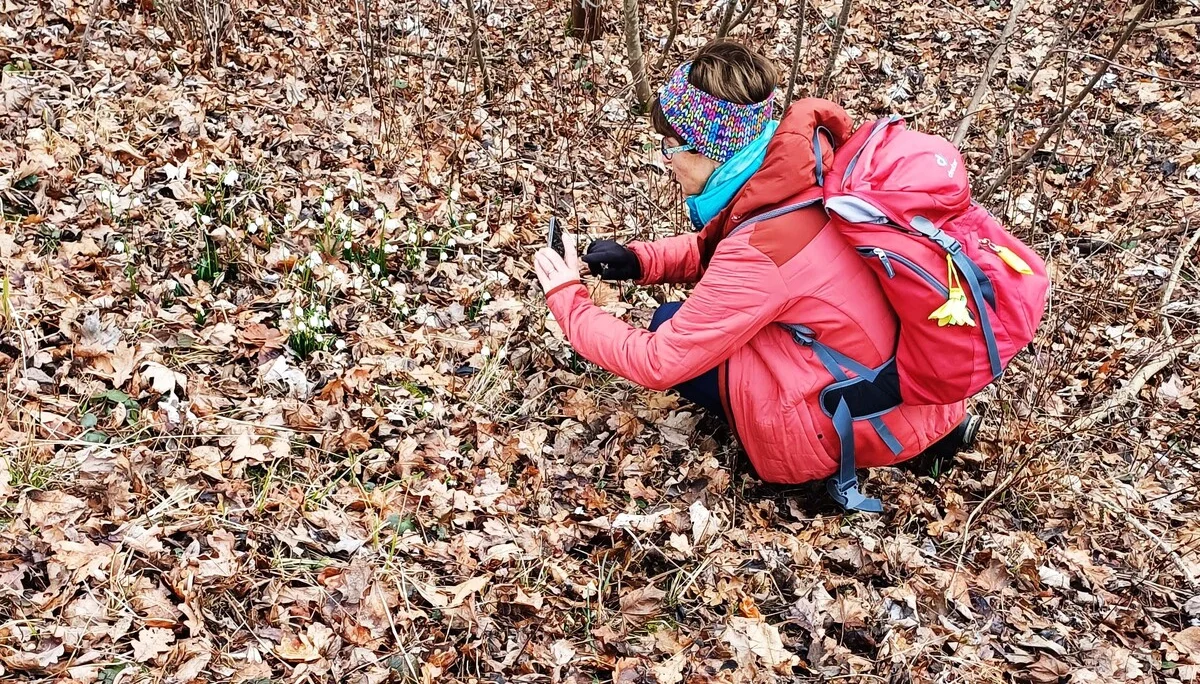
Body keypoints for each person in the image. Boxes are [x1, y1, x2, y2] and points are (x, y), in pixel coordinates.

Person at [533, 40, 980, 490]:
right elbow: (734, 251)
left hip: (851, 415)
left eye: (669, 148)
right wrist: (639, 260)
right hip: (917, 392)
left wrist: (568, 301)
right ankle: (929, 440)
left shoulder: (763, 247)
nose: (664, 162)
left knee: (668, 326)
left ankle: (820, 463)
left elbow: (660, 362)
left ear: (708, 148)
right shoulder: (806, 174)